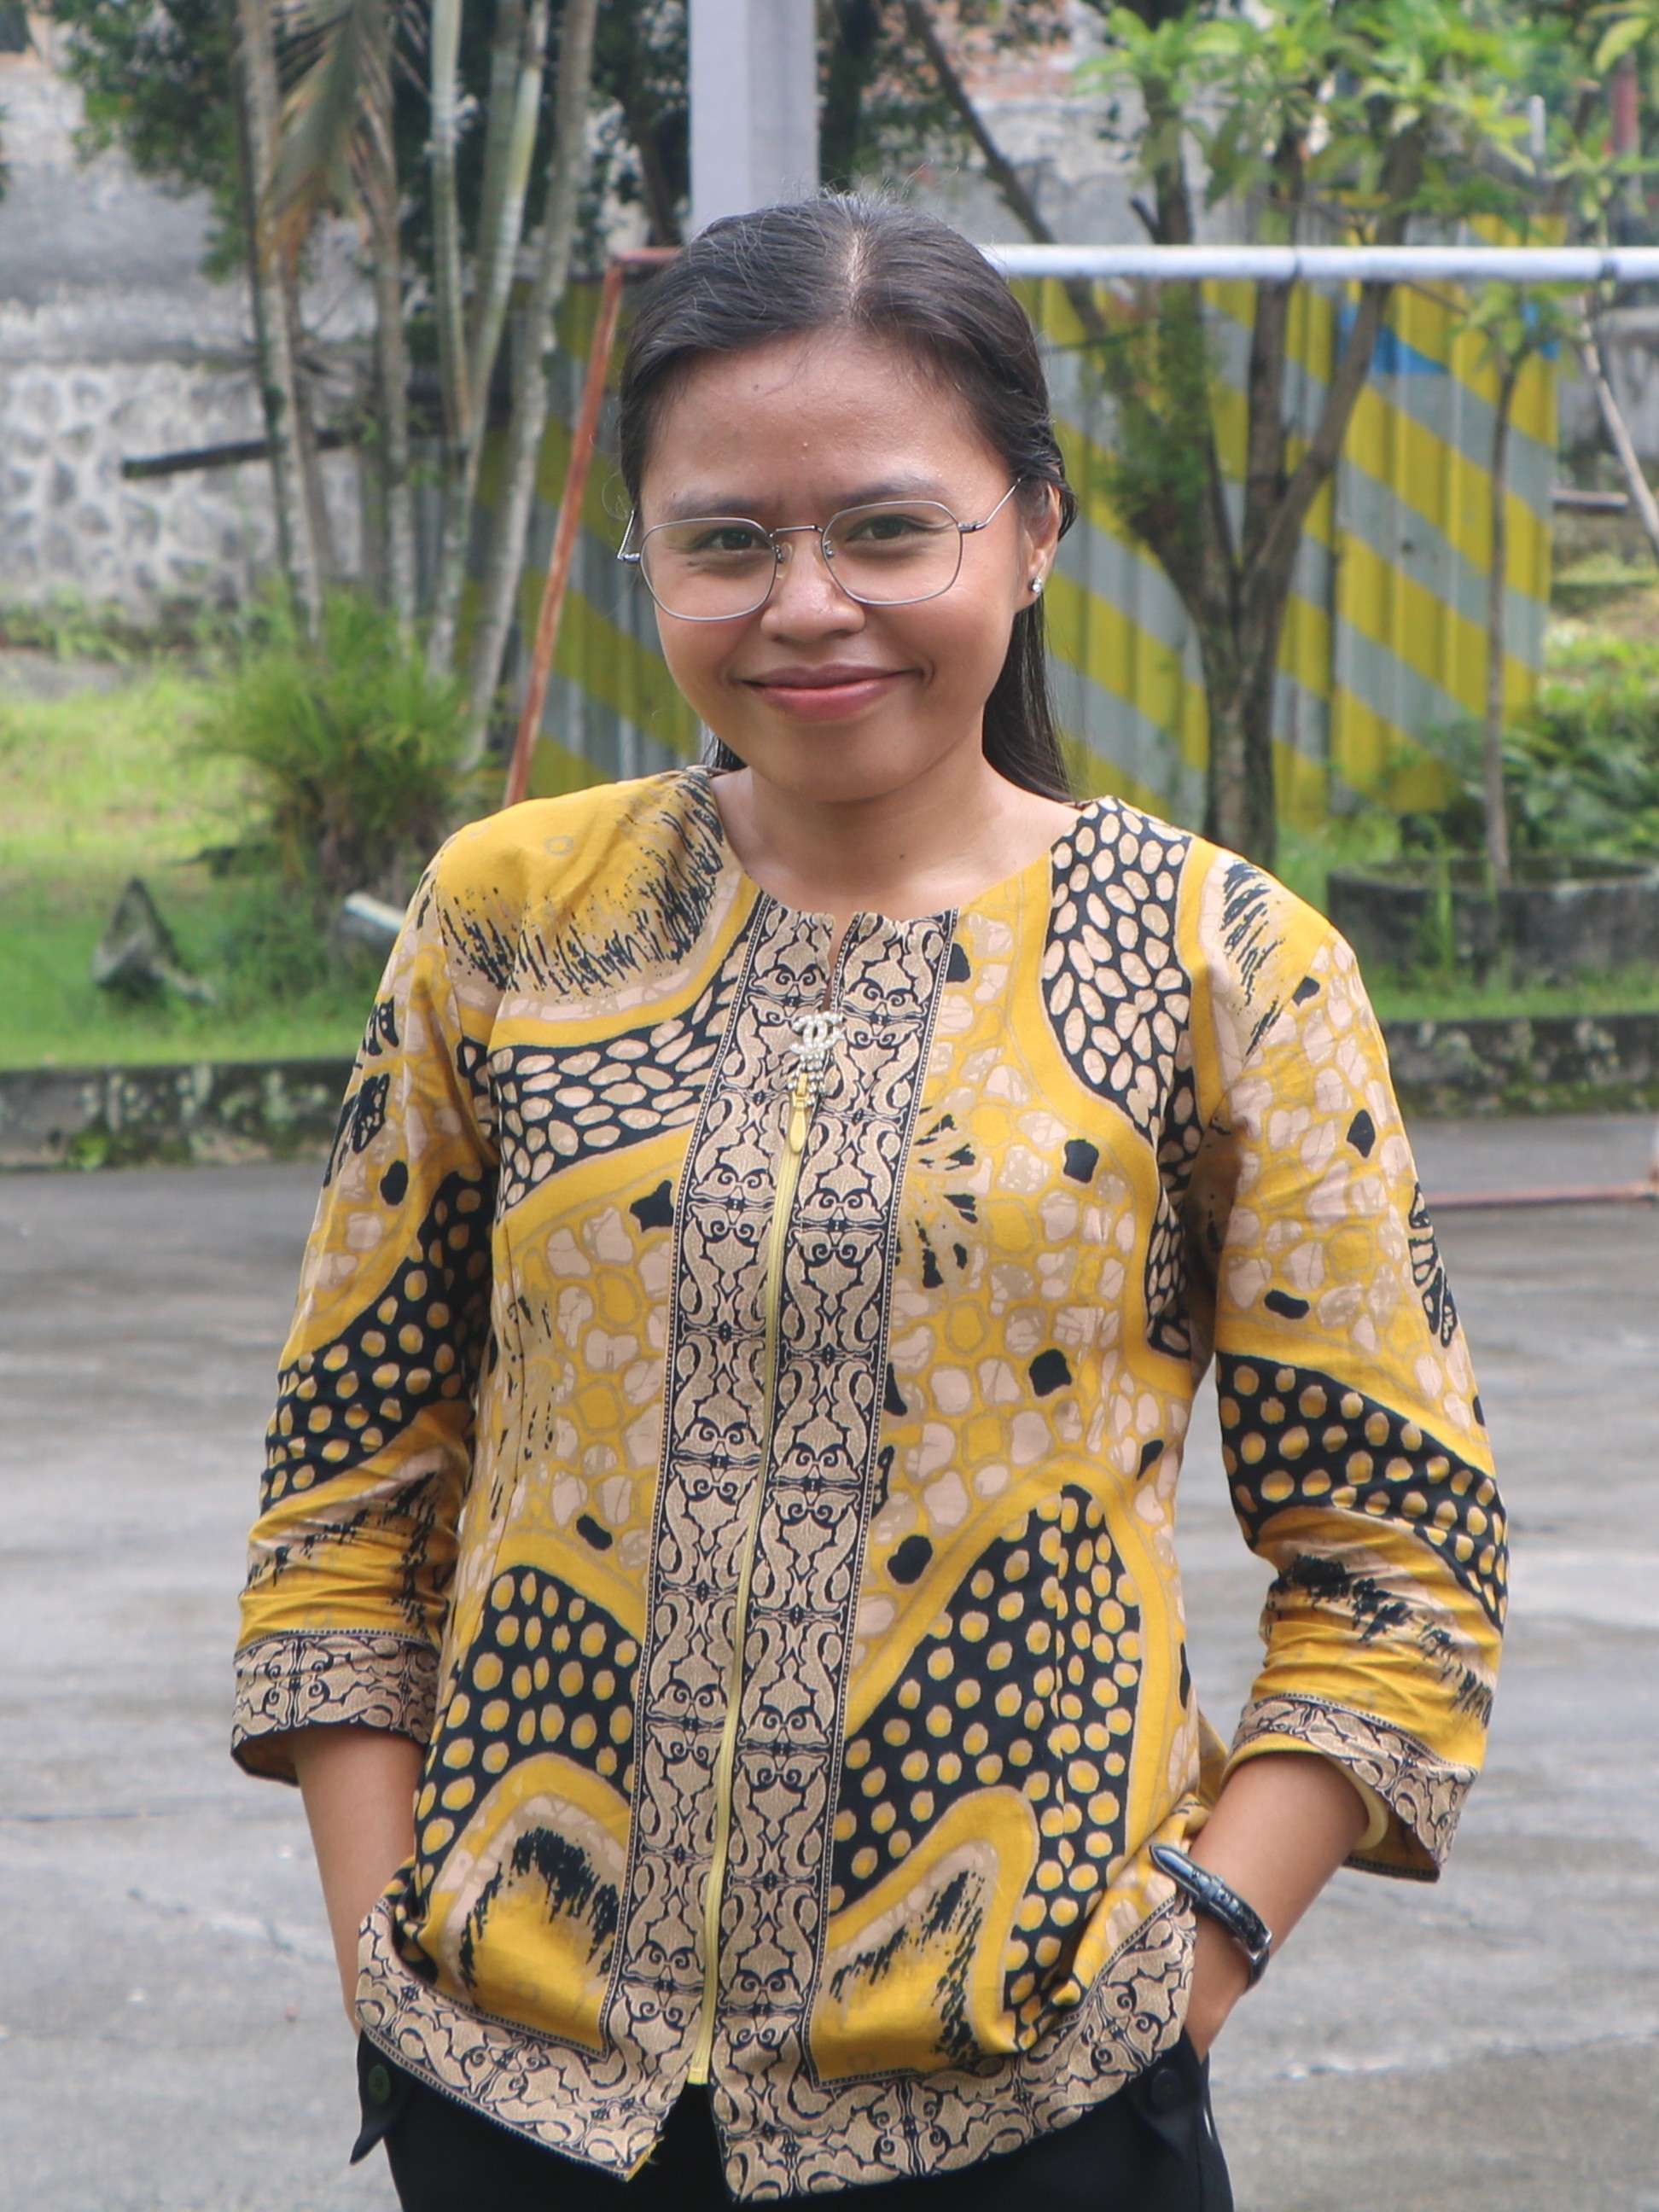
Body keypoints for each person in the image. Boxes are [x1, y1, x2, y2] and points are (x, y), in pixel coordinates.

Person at [232, 196, 1506, 2212]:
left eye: (890, 531)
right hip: (521, 2100)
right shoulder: (512, 920)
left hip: (1037, 2103)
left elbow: (1401, 1549)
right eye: (727, 541)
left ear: (1035, 531)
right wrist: (387, 1962)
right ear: (648, 557)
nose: (806, 604)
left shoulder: (1223, 965)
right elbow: (348, 1488)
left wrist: (1194, 1966)